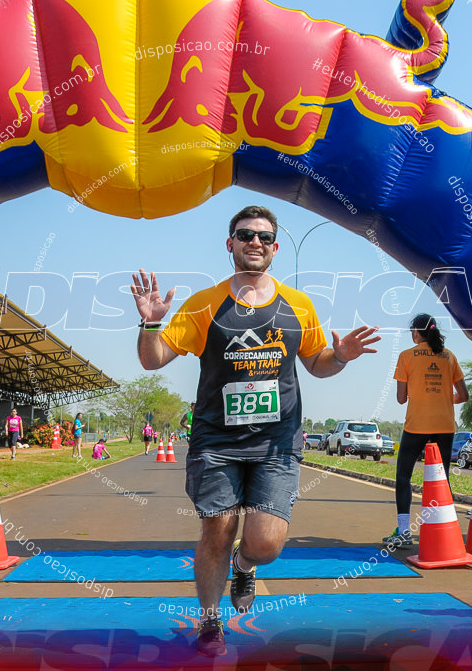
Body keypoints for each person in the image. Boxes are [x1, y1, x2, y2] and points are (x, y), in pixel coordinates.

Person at [132, 205, 379, 657]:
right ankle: (210, 623)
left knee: (265, 543)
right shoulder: (203, 303)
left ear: (275, 248)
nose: (255, 243)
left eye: (264, 237)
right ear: (230, 244)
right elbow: (153, 359)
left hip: (277, 444)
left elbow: (317, 365)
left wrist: (339, 354)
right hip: (216, 441)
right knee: (219, 529)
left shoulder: (299, 305)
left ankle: (245, 567)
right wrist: (150, 323)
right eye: (245, 235)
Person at [390, 313, 468, 547]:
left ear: (416, 332)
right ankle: (442, 534)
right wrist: (444, 399)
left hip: (417, 425)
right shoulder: (449, 357)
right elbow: (464, 395)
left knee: (404, 476)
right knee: (441, 479)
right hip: (444, 426)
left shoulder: (406, 356)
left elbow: (401, 398)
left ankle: (403, 532)